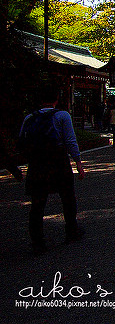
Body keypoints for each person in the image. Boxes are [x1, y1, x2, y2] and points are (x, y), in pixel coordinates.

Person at [18, 82, 85, 255]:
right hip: (58, 160)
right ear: (56, 99)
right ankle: (71, 231)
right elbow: (70, 141)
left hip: (37, 163)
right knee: (68, 197)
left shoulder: (29, 118)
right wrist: (78, 162)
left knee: (38, 203)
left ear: (40, 99)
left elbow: (22, 141)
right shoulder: (62, 116)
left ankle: (37, 241)